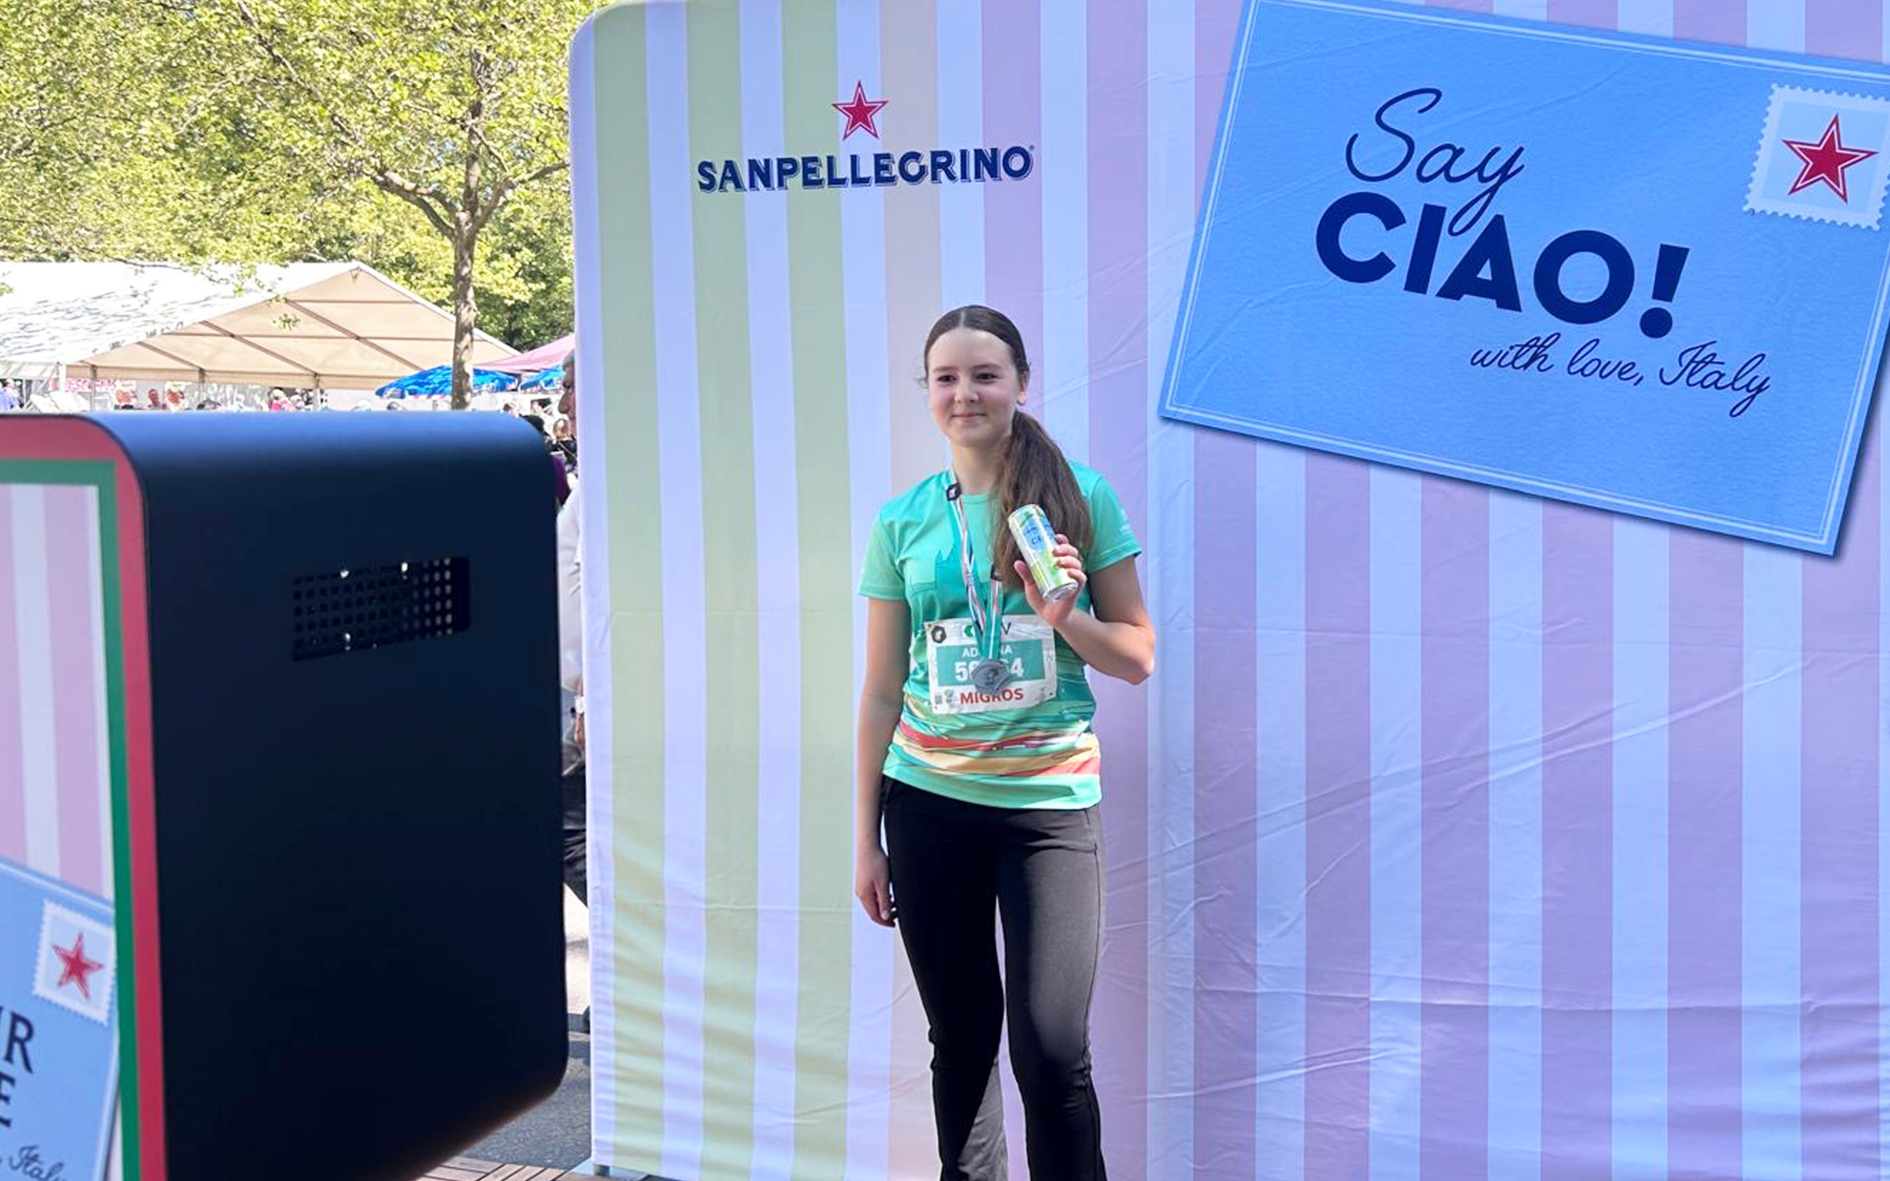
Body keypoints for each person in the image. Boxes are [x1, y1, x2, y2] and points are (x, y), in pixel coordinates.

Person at [854, 305, 1155, 1180]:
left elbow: (1136, 656)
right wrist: (866, 839)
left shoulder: (1081, 498)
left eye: (985, 375)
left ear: (1021, 383)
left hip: (1048, 811)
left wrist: (1067, 617)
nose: (965, 393)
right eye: (946, 377)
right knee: (961, 1042)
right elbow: (881, 689)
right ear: (927, 391)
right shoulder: (903, 520)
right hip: (927, 807)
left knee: (1051, 1050)